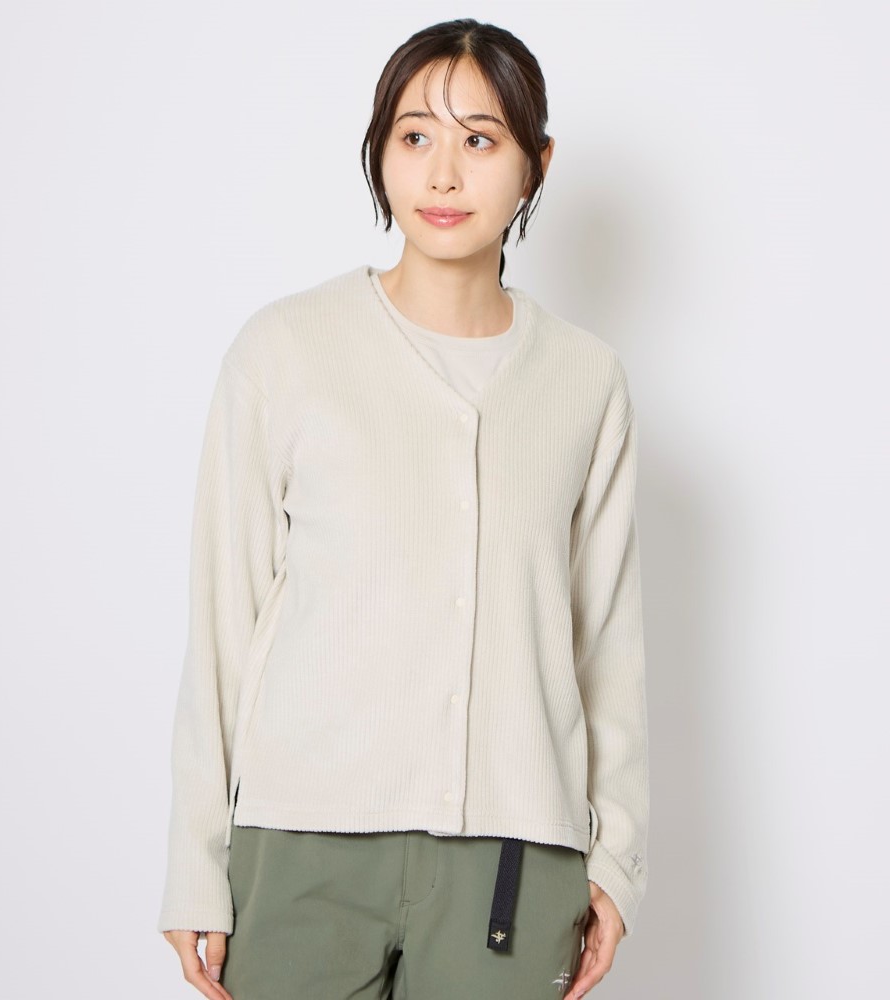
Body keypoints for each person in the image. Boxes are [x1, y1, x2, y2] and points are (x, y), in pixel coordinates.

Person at [157, 17, 649, 1000]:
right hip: (301, 843)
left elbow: (607, 642)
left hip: (513, 854)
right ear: (379, 152)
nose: (443, 173)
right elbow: (223, 621)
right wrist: (193, 861)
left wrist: (617, 859)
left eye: (480, 139)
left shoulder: (585, 380)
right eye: (414, 135)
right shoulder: (284, 352)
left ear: (536, 163)